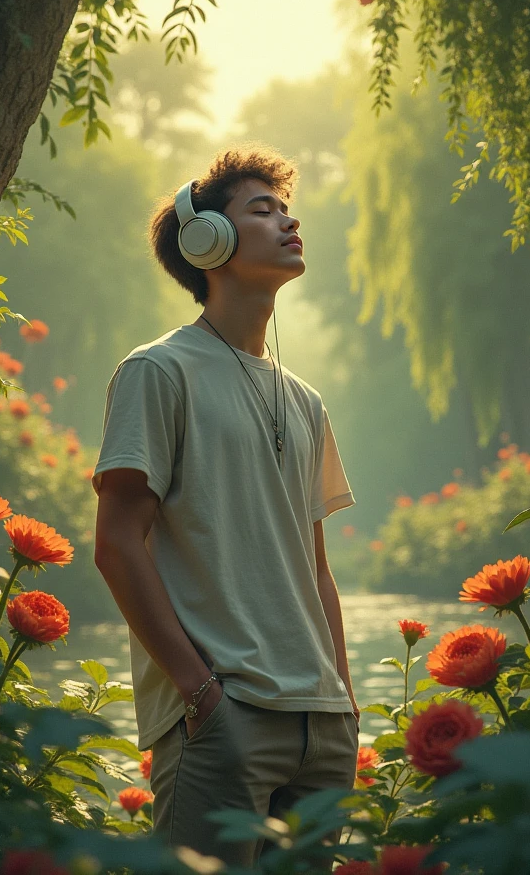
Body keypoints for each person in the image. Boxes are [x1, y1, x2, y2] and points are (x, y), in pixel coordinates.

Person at [92, 145, 360, 867]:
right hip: (225, 718)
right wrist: (200, 692)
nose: (288, 220)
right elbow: (117, 543)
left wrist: (345, 699)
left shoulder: (306, 400)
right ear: (205, 241)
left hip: (323, 727)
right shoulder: (158, 372)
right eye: (262, 209)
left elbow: (317, 571)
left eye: (286, 207)